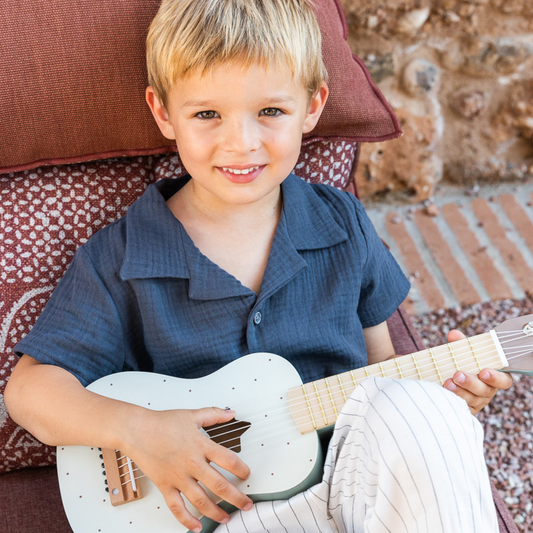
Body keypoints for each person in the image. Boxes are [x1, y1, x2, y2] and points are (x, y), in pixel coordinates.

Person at [5, 1, 512, 532]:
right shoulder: (125, 255)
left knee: (425, 412)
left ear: (313, 106)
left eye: (270, 111)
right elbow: (29, 392)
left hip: (346, 486)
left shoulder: (342, 223)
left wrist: (440, 407)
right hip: (223, 513)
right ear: (163, 113)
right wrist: (139, 430)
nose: (240, 143)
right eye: (207, 114)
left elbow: (381, 371)